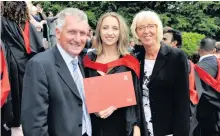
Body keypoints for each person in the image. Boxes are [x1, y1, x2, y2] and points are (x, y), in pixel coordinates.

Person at [21, 8, 92, 136]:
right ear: (58, 33)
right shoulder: (39, 65)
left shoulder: (82, 62)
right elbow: (34, 126)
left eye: (82, 33)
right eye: (72, 32)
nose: (78, 39)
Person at [83, 12, 143, 136]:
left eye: (115, 28)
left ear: (121, 32)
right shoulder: (88, 60)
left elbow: (136, 101)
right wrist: (94, 109)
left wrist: (136, 129)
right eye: (105, 28)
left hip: (122, 126)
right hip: (94, 126)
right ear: (99, 30)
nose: (110, 33)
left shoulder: (129, 62)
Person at [131, 11, 190, 136]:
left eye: (151, 26)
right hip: (142, 130)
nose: (146, 31)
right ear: (136, 33)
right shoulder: (136, 59)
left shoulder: (176, 57)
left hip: (168, 131)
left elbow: (182, 102)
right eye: (140, 28)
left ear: (158, 29)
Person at [1, 1, 44, 136]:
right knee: (25, 94)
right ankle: (23, 121)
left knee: (13, 95)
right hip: (25, 63)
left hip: (8, 62)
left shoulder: (2, 21)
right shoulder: (27, 25)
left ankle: (13, 121)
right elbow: (37, 47)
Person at [191, 37, 220, 136]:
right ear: (214, 50)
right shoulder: (218, 64)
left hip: (200, 114)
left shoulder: (195, 68)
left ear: (199, 49)